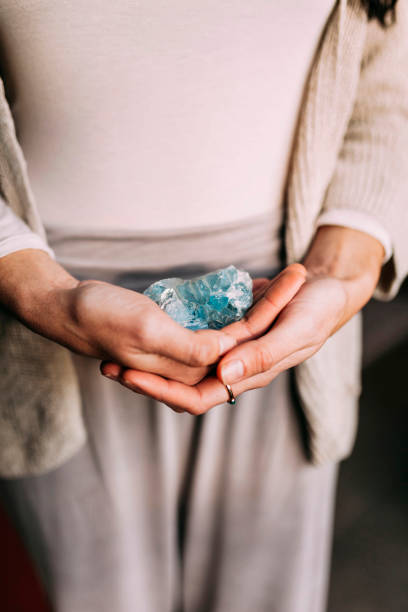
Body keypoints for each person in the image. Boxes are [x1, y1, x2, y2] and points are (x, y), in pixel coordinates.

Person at [0, 1, 407, 611]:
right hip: (45, 306)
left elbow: (391, 77)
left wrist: (345, 264)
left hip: (287, 300)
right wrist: (32, 285)